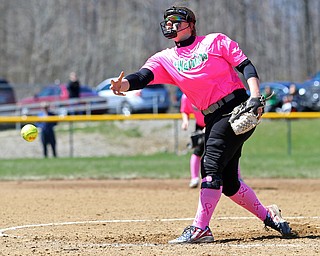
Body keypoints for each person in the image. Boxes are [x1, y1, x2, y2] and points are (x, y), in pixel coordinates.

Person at [110, 6, 293, 243]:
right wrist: (121, 86)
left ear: (191, 24)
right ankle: (269, 216)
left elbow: (246, 66)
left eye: (176, 20)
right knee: (229, 183)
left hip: (236, 108)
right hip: (212, 117)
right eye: (167, 21)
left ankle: (200, 228)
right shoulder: (165, 58)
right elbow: (142, 77)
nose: (170, 24)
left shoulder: (214, 42)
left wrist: (255, 96)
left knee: (210, 166)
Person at [180, 93, 205, 188]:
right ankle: (194, 178)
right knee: (197, 151)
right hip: (199, 126)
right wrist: (185, 121)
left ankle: (237, 177)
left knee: (225, 151)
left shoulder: (204, 92)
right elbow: (185, 111)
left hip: (214, 123)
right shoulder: (185, 96)